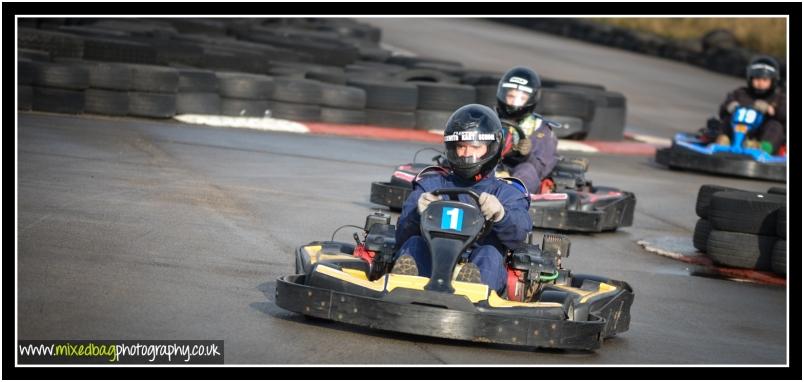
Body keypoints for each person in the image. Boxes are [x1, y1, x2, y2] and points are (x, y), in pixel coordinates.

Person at [391, 104, 532, 296]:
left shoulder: (507, 192)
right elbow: (402, 236)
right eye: (461, 147)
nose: (466, 155)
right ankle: (405, 286)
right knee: (414, 243)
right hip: (431, 261)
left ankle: (472, 291)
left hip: (477, 264)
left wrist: (501, 215)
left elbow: (518, 236)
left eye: (475, 147)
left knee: (490, 253)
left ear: (492, 148)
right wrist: (417, 213)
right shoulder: (431, 184)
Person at [494, 66, 560, 194]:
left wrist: (527, 155)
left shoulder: (541, 129)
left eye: (521, 98)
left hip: (517, 173)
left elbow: (541, 171)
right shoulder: (488, 116)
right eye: (511, 96)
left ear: (530, 100)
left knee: (527, 169)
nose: (514, 102)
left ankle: (510, 198)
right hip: (486, 166)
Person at [710, 55, 786, 154]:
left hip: (761, 134)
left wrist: (772, 110)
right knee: (727, 119)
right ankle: (725, 140)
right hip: (737, 132)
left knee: (775, 126)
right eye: (757, 79)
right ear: (750, 79)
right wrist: (730, 106)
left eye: (764, 80)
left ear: (773, 81)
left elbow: (785, 116)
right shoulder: (740, 93)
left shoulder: (778, 97)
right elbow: (723, 110)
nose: (760, 83)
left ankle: (763, 148)